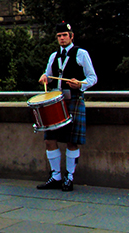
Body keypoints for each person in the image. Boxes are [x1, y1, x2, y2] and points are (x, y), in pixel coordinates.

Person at [36, 22, 97, 192]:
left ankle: (69, 177)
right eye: (59, 36)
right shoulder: (53, 56)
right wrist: (44, 77)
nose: (62, 38)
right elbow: (48, 76)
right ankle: (55, 176)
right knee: (49, 140)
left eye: (64, 35)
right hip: (57, 102)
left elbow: (93, 78)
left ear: (71, 36)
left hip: (74, 99)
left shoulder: (81, 54)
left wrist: (81, 84)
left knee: (72, 141)